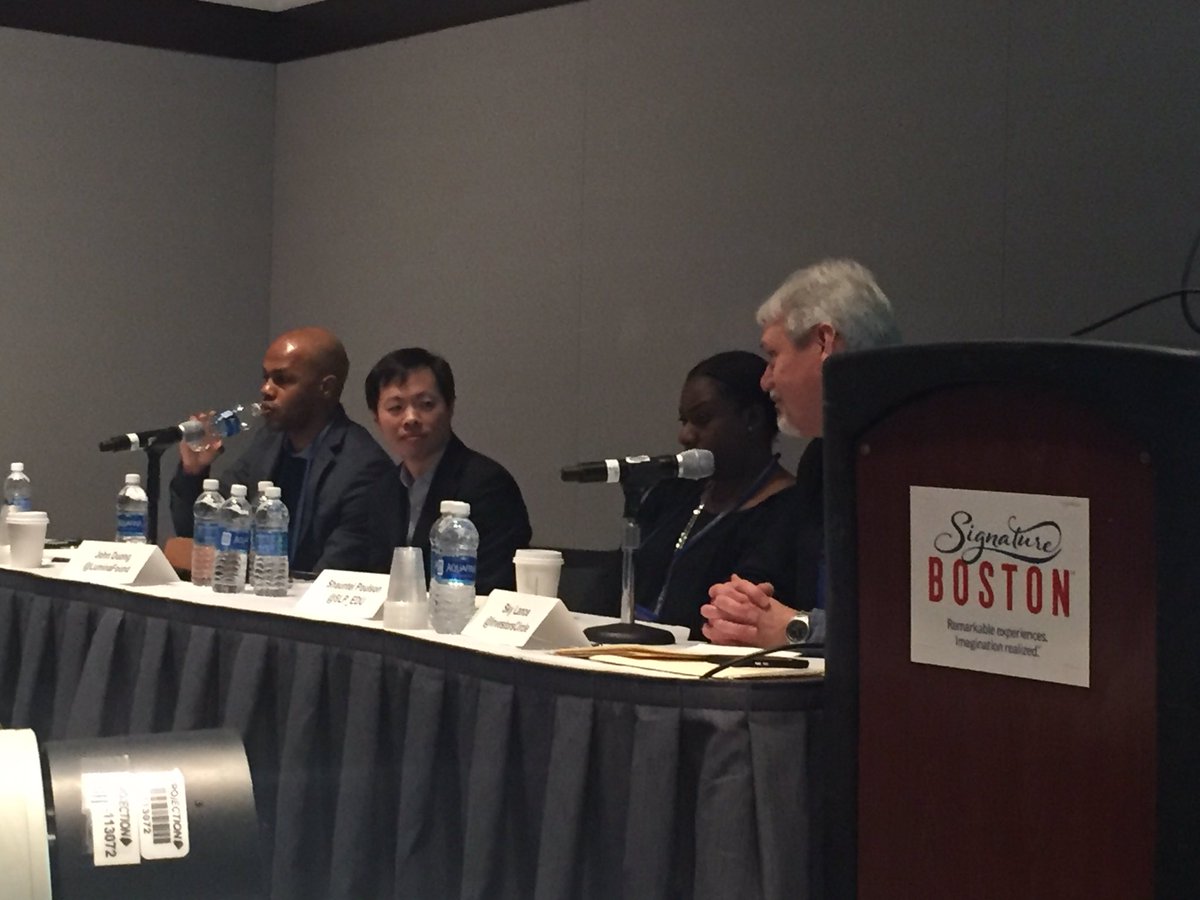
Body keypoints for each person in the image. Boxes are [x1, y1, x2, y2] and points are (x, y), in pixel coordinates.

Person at [701, 259, 900, 647]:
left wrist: (798, 631)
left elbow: (920, 632)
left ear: (824, 343)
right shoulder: (820, 461)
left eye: (773, 356)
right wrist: (742, 607)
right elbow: (775, 577)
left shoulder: (920, 459)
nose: (765, 379)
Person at [169, 327, 398, 574]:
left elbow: (335, 575)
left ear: (326, 388)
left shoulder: (364, 468)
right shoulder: (268, 443)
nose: (266, 389)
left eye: (282, 379)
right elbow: (200, 532)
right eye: (265, 377)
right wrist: (194, 473)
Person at [633, 351, 799, 639]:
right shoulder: (672, 493)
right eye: (683, 420)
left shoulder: (794, 512)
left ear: (752, 418)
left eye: (702, 419)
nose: (685, 436)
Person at [365, 347, 532, 594]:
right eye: (395, 408)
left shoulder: (488, 485)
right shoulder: (381, 489)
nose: (410, 418)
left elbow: (494, 586)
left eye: (426, 404)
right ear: (377, 419)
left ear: (450, 406)